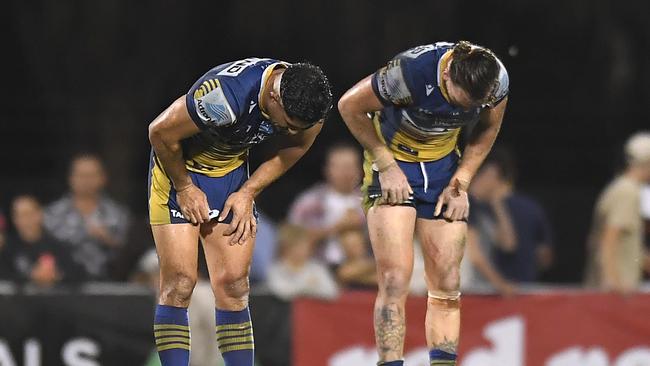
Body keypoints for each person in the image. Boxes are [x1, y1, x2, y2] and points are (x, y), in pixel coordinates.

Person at [147, 57, 332, 366]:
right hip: (179, 171)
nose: (287, 130)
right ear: (274, 96)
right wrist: (184, 188)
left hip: (230, 174)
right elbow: (160, 133)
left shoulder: (309, 107)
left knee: (234, 285)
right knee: (179, 283)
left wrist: (248, 192)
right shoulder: (224, 96)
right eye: (286, 123)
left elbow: (296, 148)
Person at [338, 41, 509, 366]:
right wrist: (386, 166)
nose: (464, 109)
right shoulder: (409, 73)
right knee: (395, 278)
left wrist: (463, 181)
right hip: (395, 163)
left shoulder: (495, 81)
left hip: (443, 168)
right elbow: (349, 106)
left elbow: (490, 127)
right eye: (459, 100)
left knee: (447, 279)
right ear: (446, 74)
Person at [463, 148, 553, 294]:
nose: (471, 179)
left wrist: (497, 204)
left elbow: (508, 245)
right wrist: (502, 285)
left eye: (477, 174)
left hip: (491, 290)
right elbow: (475, 256)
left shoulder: (484, 209)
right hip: (475, 289)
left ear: (493, 173)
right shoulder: (472, 206)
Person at [44, 154, 130, 280]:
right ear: (71, 178)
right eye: (81, 175)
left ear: (103, 178)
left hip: (109, 285)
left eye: (91, 176)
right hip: (63, 286)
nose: (86, 181)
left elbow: (130, 254)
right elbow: (43, 248)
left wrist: (109, 240)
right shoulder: (53, 214)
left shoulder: (118, 214)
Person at [585, 132, 650, 293]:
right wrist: (612, 281)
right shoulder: (628, 192)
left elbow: (625, 246)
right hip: (615, 296)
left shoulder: (621, 188)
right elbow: (609, 239)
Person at [288, 142, 365, 265]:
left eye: (351, 166)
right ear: (327, 169)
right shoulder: (309, 202)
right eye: (340, 167)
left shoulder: (368, 201)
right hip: (318, 268)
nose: (346, 173)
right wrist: (338, 227)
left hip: (363, 268)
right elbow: (292, 242)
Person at [7, 195, 78, 286]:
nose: (26, 220)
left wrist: (56, 275)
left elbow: (76, 274)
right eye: (21, 215)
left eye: (29, 213)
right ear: (14, 219)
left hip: (54, 298)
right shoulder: (8, 248)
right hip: (16, 299)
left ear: (39, 214)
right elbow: (5, 276)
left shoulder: (58, 246)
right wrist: (31, 276)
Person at [266, 224, 339, 301]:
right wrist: (308, 285)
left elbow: (332, 292)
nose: (302, 250)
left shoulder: (317, 268)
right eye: (297, 246)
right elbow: (281, 292)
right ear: (286, 248)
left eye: (305, 246)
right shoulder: (275, 269)